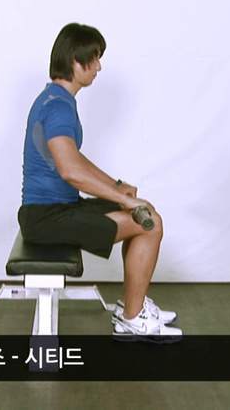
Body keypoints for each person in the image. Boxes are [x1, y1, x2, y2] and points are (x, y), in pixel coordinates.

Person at [17, 22, 182, 341]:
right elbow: (70, 172)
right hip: (47, 218)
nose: (99, 67)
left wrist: (116, 187)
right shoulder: (58, 107)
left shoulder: (55, 99)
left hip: (56, 210)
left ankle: (132, 307)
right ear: (76, 62)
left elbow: (74, 160)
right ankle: (132, 317)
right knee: (150, 224)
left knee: (143, 212)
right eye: (94, 58)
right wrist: (123, 199)